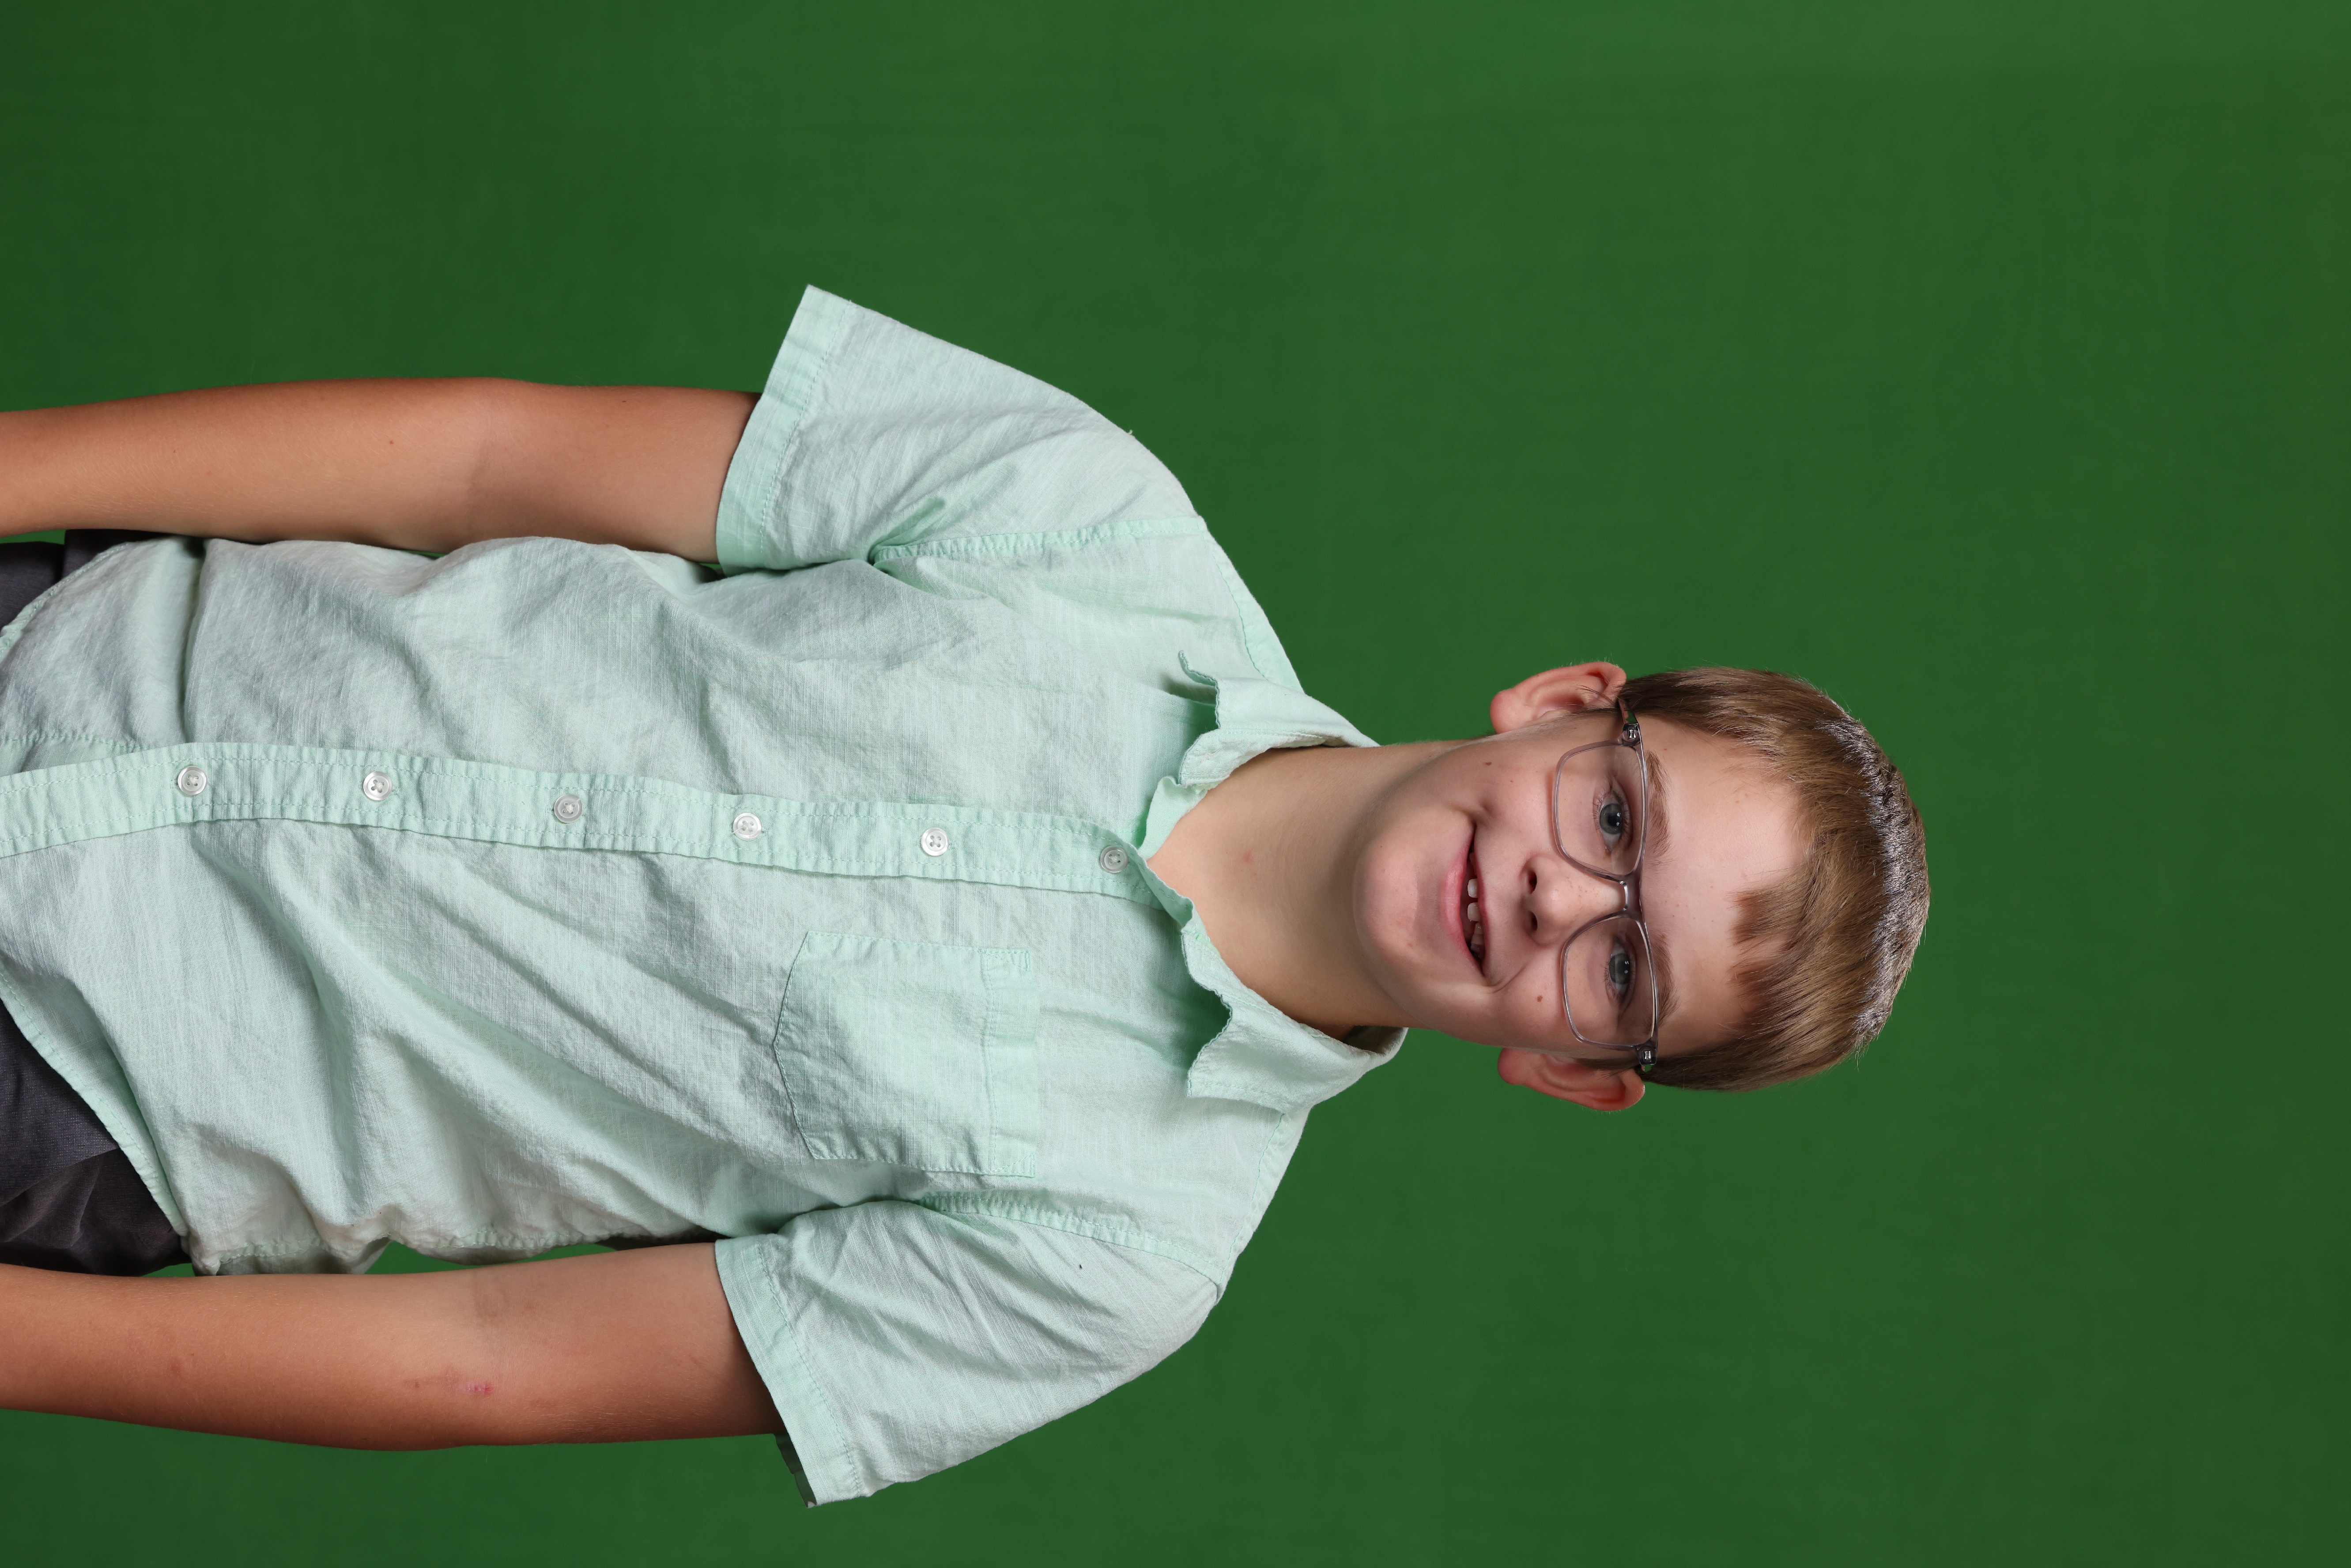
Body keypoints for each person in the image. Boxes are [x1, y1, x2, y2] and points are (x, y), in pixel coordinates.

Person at [0, 288, 1928, 1503]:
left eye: (1627, 976)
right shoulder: (1087, 517)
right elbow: (486, 456)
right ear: (1570, 705)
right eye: (1617, 817)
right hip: (82, 650)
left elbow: (492, 1360)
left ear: (1577, 1072)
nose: (1563, 897)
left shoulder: (1123, 1253)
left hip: (94, 1092)